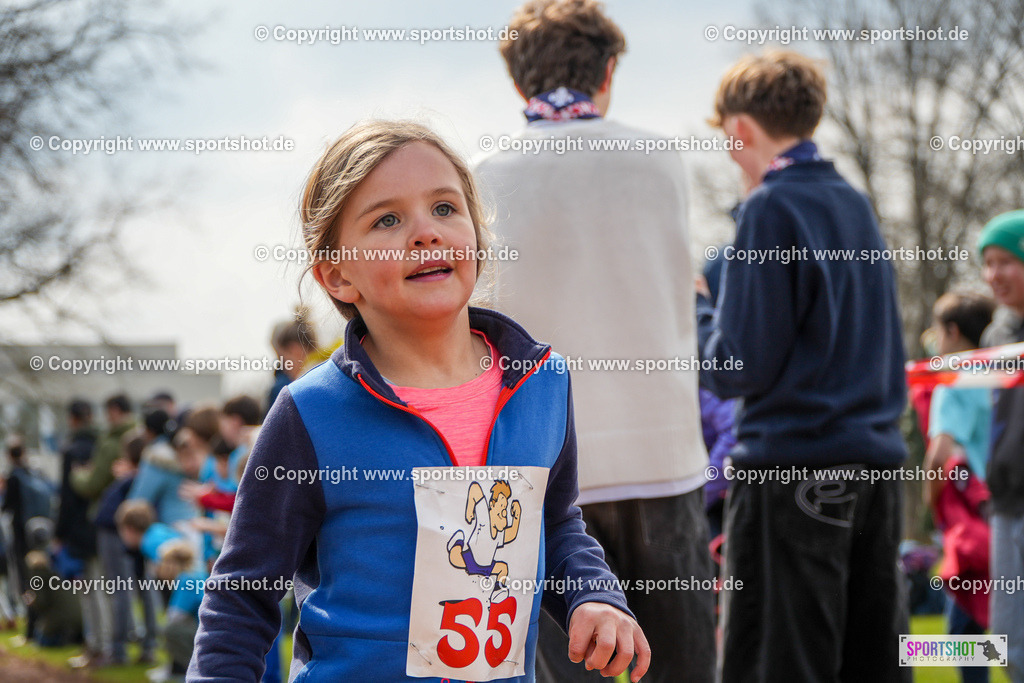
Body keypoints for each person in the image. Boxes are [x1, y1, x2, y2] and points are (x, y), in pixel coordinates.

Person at [187, 120, 649, 683]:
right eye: (387, 219)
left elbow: (554, 523)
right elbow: (241, 598)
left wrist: (592, 595)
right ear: (337, 276)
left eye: (445, 209)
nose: (425, 232)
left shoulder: (543, 381)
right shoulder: (310, 413)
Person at [475, 2, 713, 680]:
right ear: (608, 70)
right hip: (662, 458)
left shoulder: (478, 173)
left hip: (538, 470)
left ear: (517, 82)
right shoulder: (662, 159)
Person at [698, 50, 908, 682]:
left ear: (740, 130)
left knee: (779, 661)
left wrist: (698, 313)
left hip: (791, 474)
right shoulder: (854, 203)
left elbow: (738, 367)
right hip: (874, 468)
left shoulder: (770, 208)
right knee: (868, 656)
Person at [922, 292, 995, 683]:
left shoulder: (956, 377)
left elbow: (939, 456)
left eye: (937, 331)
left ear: (952, 331)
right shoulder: (1002, 372)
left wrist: (931, 500)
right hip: (1007, 510)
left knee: (962, 632)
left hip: (977, 520)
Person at [978, 209, 1024, 681]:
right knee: (1006, 646)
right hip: (1007, 505)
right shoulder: (997, 336)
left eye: (1007, 261)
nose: (994, 275)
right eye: (987, 263)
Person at [268, 307, 319, 411]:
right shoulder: (323, 378)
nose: (281, 362)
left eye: (283, 356)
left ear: (294, 349)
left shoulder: (285, 390)